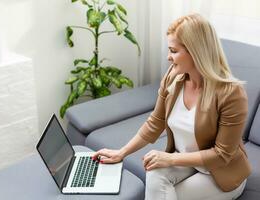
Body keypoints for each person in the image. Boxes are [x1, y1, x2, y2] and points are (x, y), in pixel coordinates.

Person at [92, 13, 251, 200]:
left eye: (173, 51)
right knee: (154, 173)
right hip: (188, 162)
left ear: (195, 51)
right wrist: (121, 153)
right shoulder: (173, 77)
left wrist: (170, 158)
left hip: (220, 173)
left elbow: (222, 155)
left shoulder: (231, 93)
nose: (168, 57)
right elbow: (155, 123)